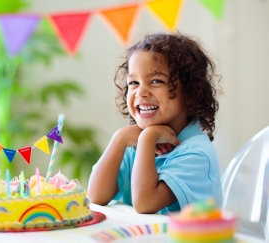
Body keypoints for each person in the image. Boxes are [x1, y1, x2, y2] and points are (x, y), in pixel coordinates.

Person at [87, 32, 222, 214]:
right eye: (133, 82)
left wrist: (148, 139)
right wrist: (119, 139)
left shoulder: (197, 154)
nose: (141, 92)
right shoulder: (132, 144)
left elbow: (145, 204)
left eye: (156, 81)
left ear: (190, 92)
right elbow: (95, 196)